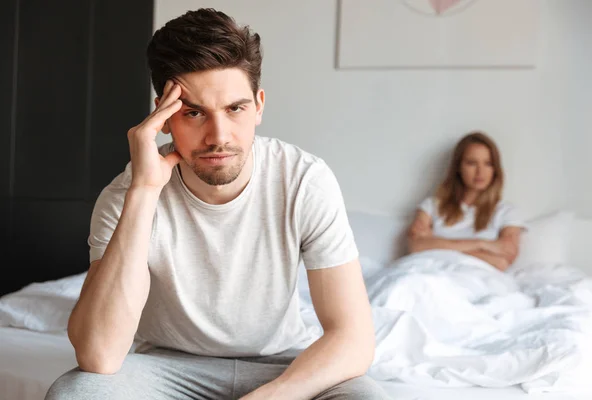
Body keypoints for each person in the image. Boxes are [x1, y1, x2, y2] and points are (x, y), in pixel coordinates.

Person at [45, 8, 391, 400]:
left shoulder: (304, 181)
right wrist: (143, 192)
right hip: (165, 368)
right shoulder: (127, 194)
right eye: (193, 113)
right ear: (163, 116)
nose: (218, 136)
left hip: (282, 366)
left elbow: (353, 337)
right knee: (74, 393)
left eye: (235, 108)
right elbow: (99, 356)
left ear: (259, 105)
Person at [407, 131, 527, 271]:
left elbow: (503, 261)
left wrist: (435, 245)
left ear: (495, 169)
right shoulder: (432, 205)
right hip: (432, 273)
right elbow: (415, 246)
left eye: (488, 163)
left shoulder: (506, 212)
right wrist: (482, 245)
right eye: (472, 163)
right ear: (458, 167)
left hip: (478, 279)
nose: (480, 172)